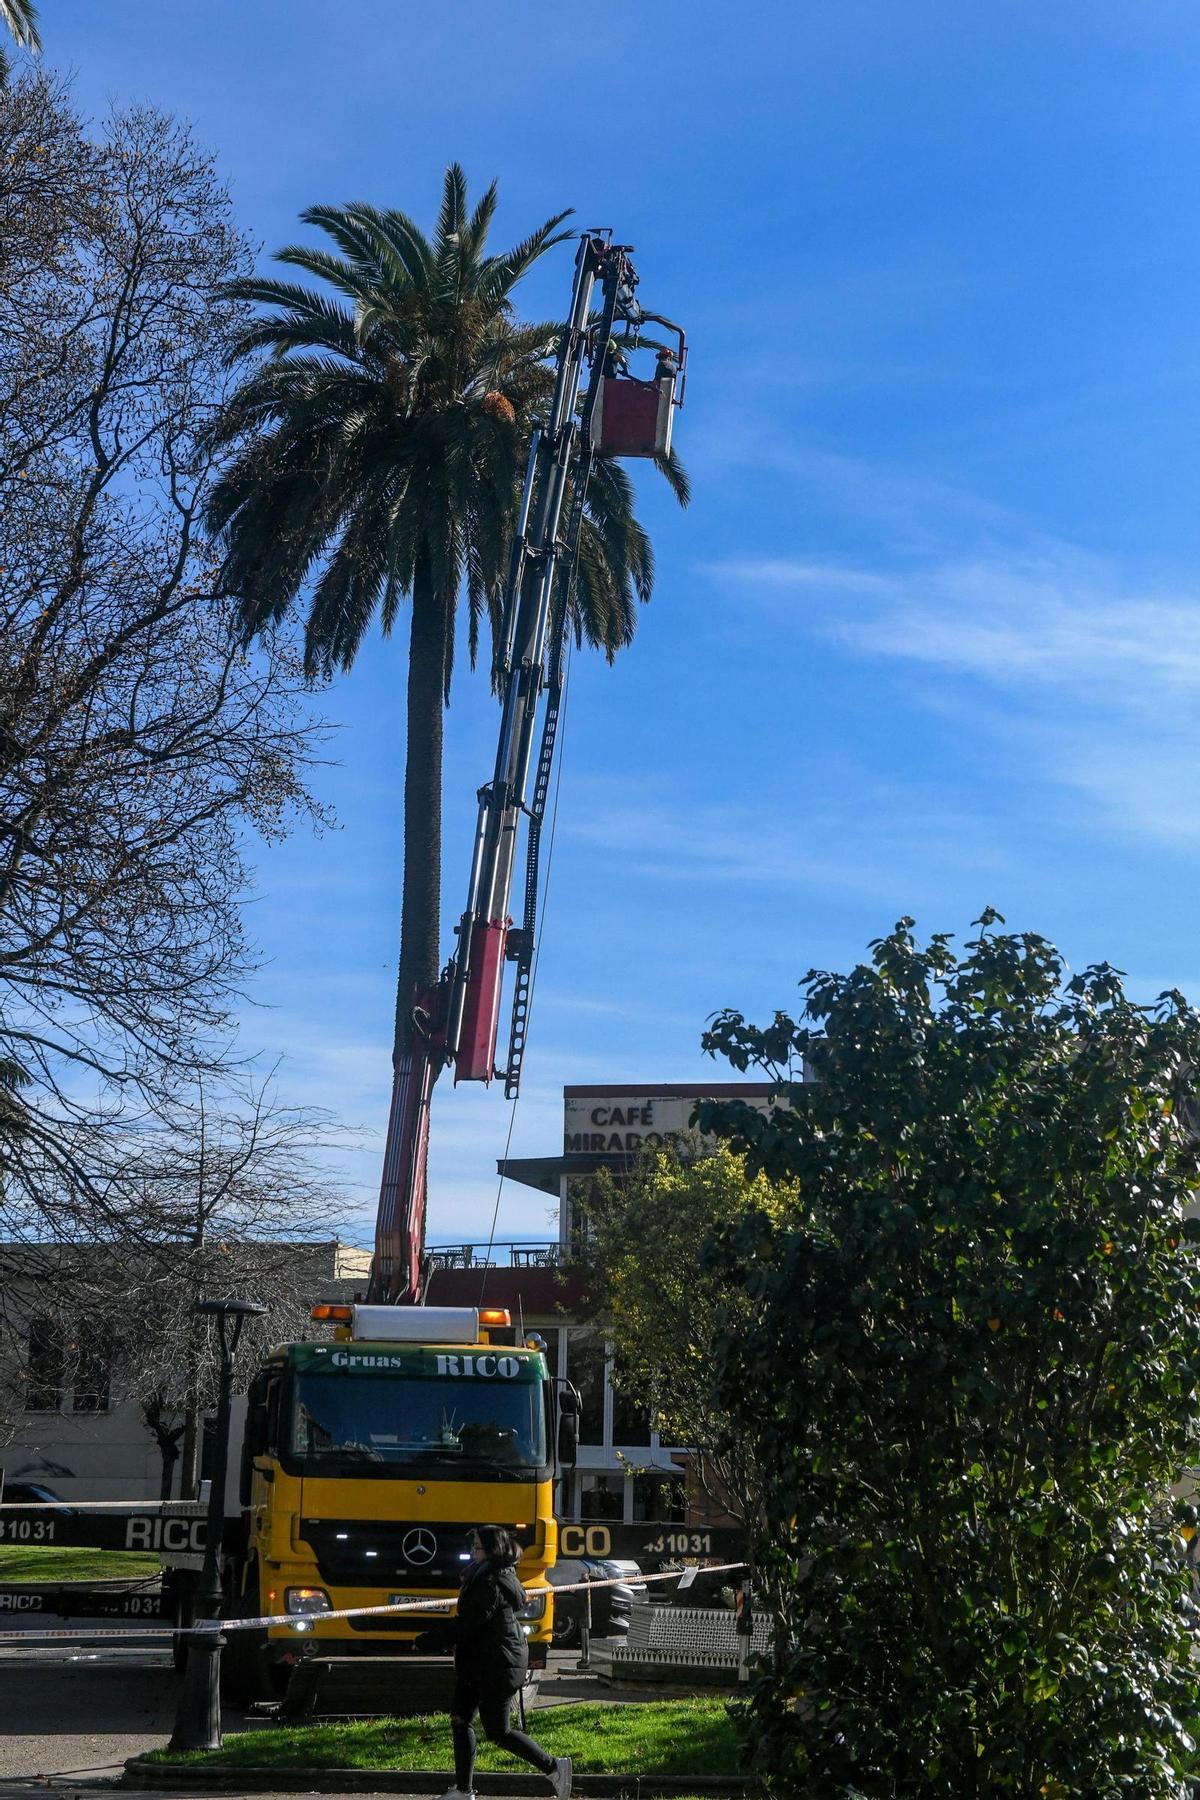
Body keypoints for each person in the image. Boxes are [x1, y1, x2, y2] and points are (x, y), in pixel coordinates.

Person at [432, 1524, 571, 1800]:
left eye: (477, 1547)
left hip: (498, 1665)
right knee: (460, 1719)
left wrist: (429, 1639)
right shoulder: (482, 1574)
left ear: (492, 1550)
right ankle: (463, 1790)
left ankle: (554, 1767)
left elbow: (469, 1622)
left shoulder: (491, 1581)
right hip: (477, 1662)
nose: (472, 1552)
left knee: (499, 1731)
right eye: (472, 1547)